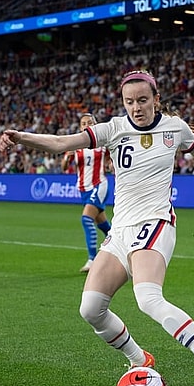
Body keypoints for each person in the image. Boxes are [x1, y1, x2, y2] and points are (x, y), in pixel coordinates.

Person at [0, 70, 194, 386]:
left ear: (156, 99)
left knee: (147, 299)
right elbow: (61, 143)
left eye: (143, 100)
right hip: (120, 231)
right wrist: (20, 137)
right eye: (130, 102)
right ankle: (139, 359)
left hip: (157, 222)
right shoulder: (114, 129)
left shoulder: (174, 128)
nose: (136, 107)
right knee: (90, 309)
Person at [60, 113, 112, 273]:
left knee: (86, 219)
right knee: (103, 225)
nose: (87, 125)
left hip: (99, 185)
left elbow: (111, 160)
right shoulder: (75, 146)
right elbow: (63, 168)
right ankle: (120, 243)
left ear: (95, 124)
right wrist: (67, 159)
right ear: (80, 126)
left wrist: (111, 165)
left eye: (90, 122)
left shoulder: (103, 143)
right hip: (83, 188)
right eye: (84, 123)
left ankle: (92, 259)